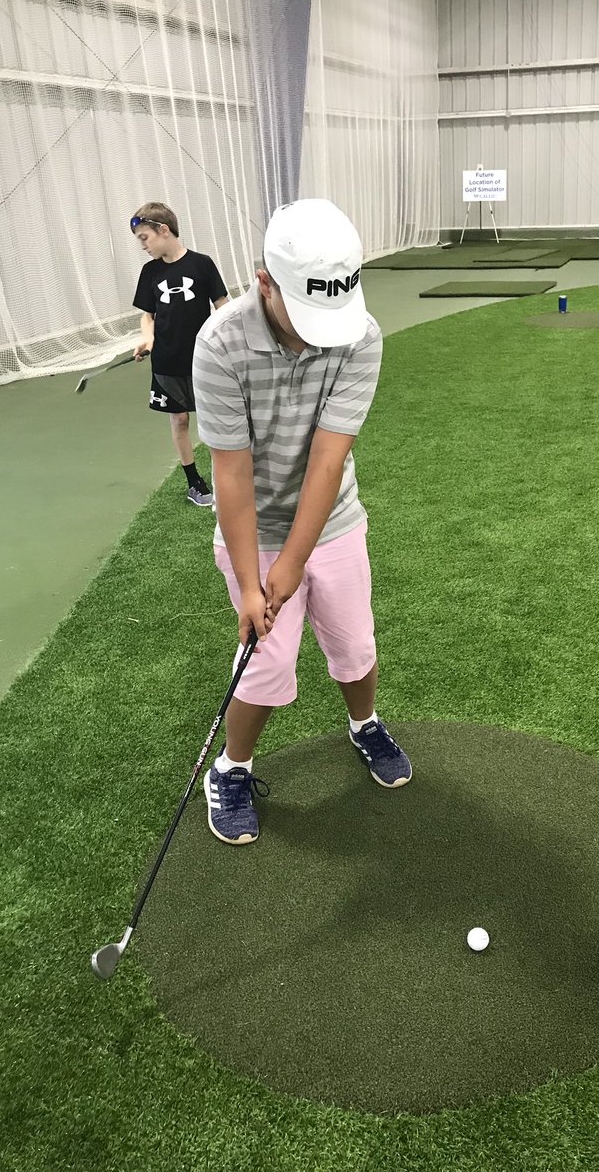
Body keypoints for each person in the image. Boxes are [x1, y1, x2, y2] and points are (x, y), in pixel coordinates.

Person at [192, 198, 411, 845]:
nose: (323, 332)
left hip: (333, 518)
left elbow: (326, 460)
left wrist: (291, 566)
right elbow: (229, 475)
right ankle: (230, 769)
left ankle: (363, 725)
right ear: (265, 282)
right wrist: (255, 579)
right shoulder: (221, 344)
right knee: (266, 661)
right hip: (252, 529)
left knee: (354, 641)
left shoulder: (359, 334)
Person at [131, 203, 228, 506]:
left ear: (163, 230)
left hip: (204, 360)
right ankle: (194, 482)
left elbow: (222, 305)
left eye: (144, 238)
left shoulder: (202, 264)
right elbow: (147, 316)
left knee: (216, 420)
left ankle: (227, 476)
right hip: (167, 361)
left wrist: (229, 341)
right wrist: (147, 339)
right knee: (179, 420)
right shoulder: (150, 272)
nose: (143, 245)